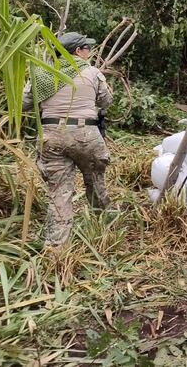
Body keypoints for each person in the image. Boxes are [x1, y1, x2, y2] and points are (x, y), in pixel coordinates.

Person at [22, 31, 114, 249]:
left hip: (51, 136)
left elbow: (25, 103)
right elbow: (107, 101)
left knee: (59, 191)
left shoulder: (42, 73)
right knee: (95, 181)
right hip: (86, 135)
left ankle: (55, 249)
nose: (89, 52)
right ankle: (104, 229)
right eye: (86, 49)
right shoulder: (92, 72)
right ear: (77, 51)